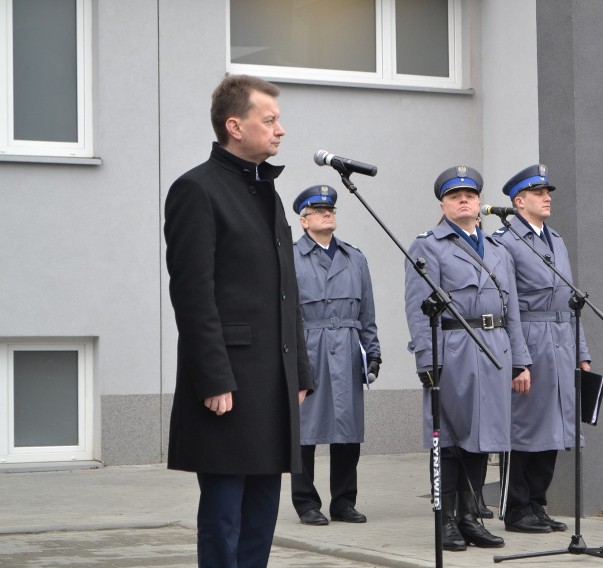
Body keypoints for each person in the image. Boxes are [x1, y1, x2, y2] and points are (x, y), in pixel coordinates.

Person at [164, 74, 315, 567]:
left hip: (272, 380)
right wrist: (212, 376)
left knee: (262, 512)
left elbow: (285, 292)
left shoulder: (265, 192)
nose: (280, 131)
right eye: (269, 120)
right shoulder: (197, 190)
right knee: (225, 514)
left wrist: (301, 371)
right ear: (235, 125)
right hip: (227, 379)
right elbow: (193, 293)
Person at [403, 166, 532, 551]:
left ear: (479, 202)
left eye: (470, 195)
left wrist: (519, 360)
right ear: (443, 204)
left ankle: (470, 517)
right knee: (450, 440)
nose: (464, 200)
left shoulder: (497, 249)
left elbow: (513, 311)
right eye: (455, 196)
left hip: (494, 348)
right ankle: (445, 521)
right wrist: (427, 362)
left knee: (483, 437)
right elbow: (417, 308)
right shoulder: (428, 246)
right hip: (454, 349)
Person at [492, 164, 592, 534]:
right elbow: (509, 307)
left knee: (554, 425)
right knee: (524, 426)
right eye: (538, 193)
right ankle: (516, 508)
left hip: (561, 341)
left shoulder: (557, 240)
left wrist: (582, 351)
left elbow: (569, 299)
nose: (547, 198)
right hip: (530, 340)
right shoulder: (504, 242)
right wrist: (519, 359)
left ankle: (538, 503)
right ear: (519, 201)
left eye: (547, 192)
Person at [289, 184, 381, 526]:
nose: (328, 214)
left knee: (347, 427)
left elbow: (367, 309)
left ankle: (343, 501)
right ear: (304, 221)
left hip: (347, 346)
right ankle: (306, 502)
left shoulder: (354, 257)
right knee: (305, 430)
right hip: (308, 347)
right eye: (319, 211)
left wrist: (373, 351)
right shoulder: (289, 257)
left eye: (331, 210)